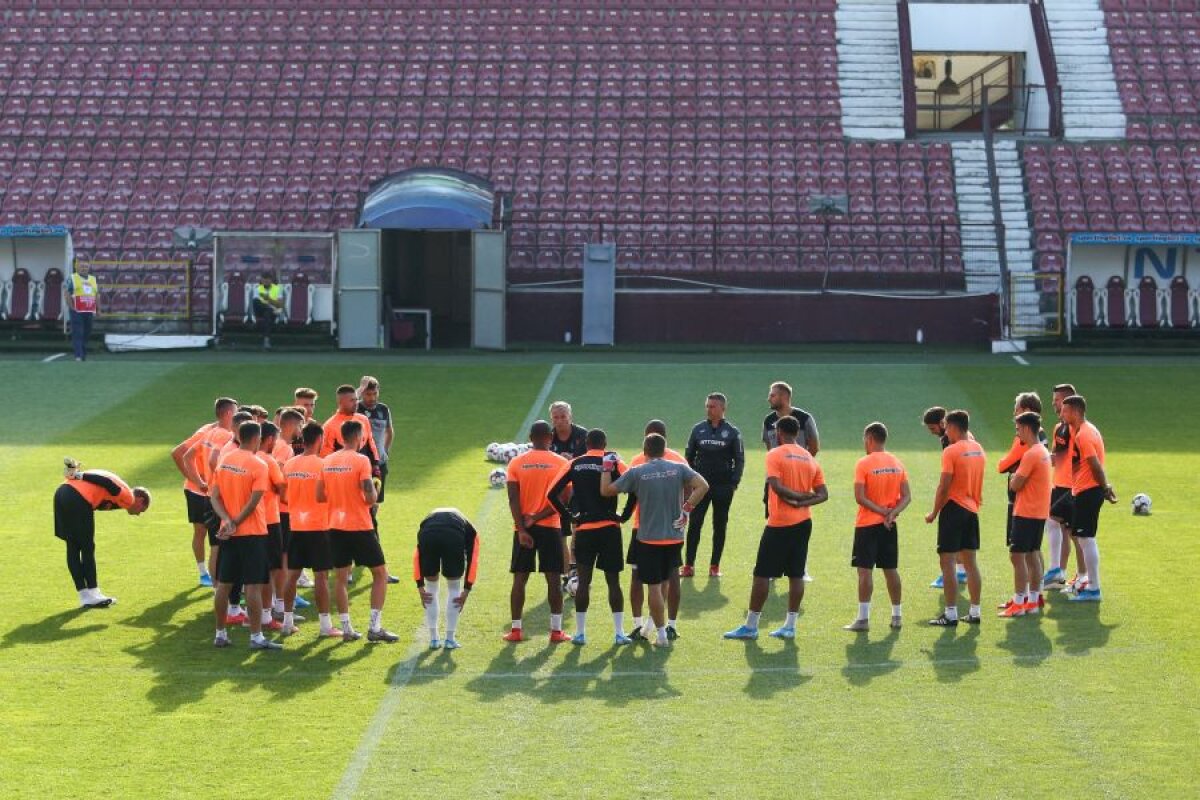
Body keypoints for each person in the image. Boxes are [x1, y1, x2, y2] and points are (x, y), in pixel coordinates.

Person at [723, 416, 826, 640]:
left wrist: (795, 499)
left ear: (779, 432)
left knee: (762, 573)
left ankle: (751, 626)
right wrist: (803, 501)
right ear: (797, 433)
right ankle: (790, 626)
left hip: (779, 523)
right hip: (804, 522)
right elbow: (823, 494)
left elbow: (777, 487)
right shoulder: (809, 458)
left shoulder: (775, 454)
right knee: (796, 574)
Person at [603, 433, 709, 647]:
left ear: (645, 451)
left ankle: (660, 636)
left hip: (648, 539)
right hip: (674, 537)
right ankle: (654, 628)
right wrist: (687, 508)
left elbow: (606, 491)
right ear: (664, 449)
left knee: (653, 587)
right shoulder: (678, 468)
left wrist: (606, 468)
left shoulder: (637, 472)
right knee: (665, 583)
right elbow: (703, 486)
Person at [548, 428, 629, 646]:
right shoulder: (613, 461)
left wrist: (569, 517)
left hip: (584, 530)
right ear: (605, 444)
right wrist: (624, 515)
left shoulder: (575, 463)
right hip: (610, 529)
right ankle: (619, 633)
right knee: (613, 582)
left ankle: (580, 633)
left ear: (586, 444)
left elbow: (551, 493)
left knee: (583, 582)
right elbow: (634, 485)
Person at [321, 420, 398, 642]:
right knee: (380, 574)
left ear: (341, 437)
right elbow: (370, 497)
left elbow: (319, 495)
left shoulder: (327, 461)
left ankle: (347, 629)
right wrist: (375, 488)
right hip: (359, 526)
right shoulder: (361, 460)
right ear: (359, 437)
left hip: (334, 526)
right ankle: (375, 627)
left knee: (341, 578)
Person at [209, 421, 279, 650]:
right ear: (257, 439)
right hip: (253, 533)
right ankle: (256, 637)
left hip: (228, 534)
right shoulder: (259, 464)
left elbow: (214, 497)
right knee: (253, 586)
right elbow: (254, 501)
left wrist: (227, 521)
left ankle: (220, 634)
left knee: (224, 585)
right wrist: (236, 522)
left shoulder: (225, 460)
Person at [620, 419, 688, 641]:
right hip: (671, 528)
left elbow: (629, 494)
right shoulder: (678, 460)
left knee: (640, 577)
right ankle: (668, 625)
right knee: (669, 576)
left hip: (644, 528)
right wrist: (685, 511)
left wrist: (621, 517)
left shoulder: (640, 460)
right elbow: (692, 487)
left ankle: (642, 625)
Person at [502, 420, 569, 643]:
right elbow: (563, 499)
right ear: (551, 437)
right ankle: (556, 632)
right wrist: (538, 517)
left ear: (530, 438)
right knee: (553, 580)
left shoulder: (516, 463)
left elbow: (513, 499)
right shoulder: (561, 463)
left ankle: (516, 630)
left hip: (524, 530)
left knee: (520, 579)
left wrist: (522, 528)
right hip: (550, 528)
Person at [55, 459, 150, 607]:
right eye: (141, 510)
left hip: (61, 493)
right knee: (87, 547)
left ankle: (85, 596)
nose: (138, 514)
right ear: (140, 500)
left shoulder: (120, 500)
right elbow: (106, 482)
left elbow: (103, 495)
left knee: (73, 547)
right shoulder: (128, 496)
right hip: (78, 497)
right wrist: (78, 475)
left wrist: (75, 474)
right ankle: (94, 593)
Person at [843, 422, 909, 632]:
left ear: (870, 438)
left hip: (867, 525)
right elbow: (907, 496)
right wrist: (892, 513)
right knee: (891, 570)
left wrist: (881, 511)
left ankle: (863, 619)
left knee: (865, 571)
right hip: (889, 525)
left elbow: (860, 497)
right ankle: (897, 616)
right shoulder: (897, 462)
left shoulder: (864, 463)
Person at [924, 410, 986, 627]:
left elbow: (944, 486)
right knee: (970, 563)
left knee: (947, 562)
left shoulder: (951, 451)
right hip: (972, 509)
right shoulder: (978, 449)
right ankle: (975, 612)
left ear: (951, 427)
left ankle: (950, 614)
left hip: (953, 509)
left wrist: (934, 512)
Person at [282, 420, 342, 638]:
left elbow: (284, 496)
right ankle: (325, 626)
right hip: (319, 526)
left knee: (292, 575)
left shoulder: (290, 464)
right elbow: (329, 495)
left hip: (296, 526)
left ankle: (287, 622)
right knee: (321, 577)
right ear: (320, 439)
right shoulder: (323, 465)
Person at [1053, 395, 1116, 603]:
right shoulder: (1084, 430)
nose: (1061, 414)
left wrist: (1105, 487)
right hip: (1081, 490)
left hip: (1088, 491)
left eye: (1065, 410)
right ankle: (1086, 581)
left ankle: (1093, 588)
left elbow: (1094, 464)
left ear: (1075, 411)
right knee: (1067, 524)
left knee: (1086, 538)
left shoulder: (1084, 435)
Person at [171, 396, 237, 587]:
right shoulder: (209, 432)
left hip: (207, 490)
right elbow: (179, 453)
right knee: (205, 533)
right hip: (200, 491)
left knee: (213, 536)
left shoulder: (217, 431)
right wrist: (197, 481)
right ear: (228, 413)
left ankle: (213, 576)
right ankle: (205, 574)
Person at [763, 381, 820, 582]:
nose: (769, 398)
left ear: (784, 397)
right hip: (774, 478)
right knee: (773, 519)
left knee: (800, 518)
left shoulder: (804, 419)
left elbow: (814, 446)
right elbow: (769, 447)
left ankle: (800, 567)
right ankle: (774, 567)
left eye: (773, 395)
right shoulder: (768, 420)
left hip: (798, 478)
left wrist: (799, 465)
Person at [683, 392, 744, 577]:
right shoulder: (698, 429)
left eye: (713, 406)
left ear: (723, 408)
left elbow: (739, 459)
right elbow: (688, 457)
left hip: (723, 487)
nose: (709, 409)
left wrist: (734, 483)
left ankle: (714, 566)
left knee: (720, 525)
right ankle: (689, 566)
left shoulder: (732, 432)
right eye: (707, 406)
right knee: (695, 524)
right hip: (700, 488)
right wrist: (691, 481)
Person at [1000, 412, 1053, 618]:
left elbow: (1015, 485)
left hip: (1026, 512)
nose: (1017, 433)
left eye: (1018, 429)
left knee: (1017, 556)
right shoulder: (1043, 451)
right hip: (1038, 511)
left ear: (1026, 428)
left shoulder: (1031, 454)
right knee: (1032, 554)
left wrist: (1014, 477)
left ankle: (1019, 603)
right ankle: (1033, 600)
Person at [414, 508, 480, 650]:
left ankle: (434, 639)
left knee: (430, 588)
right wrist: (466, 590)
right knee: (454, 587)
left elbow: (417, 555)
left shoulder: (426, 523)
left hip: (428, 534)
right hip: (452, 536)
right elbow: (473, 560)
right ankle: (450, 639)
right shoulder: (472, 531)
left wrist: (420, 586)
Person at [357, 376, 399, 584]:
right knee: (363, 512)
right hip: (361, 466)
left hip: (379, 467)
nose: (372, 398)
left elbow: (389, 431)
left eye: (374, 393)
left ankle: (362, 559)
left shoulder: (383, 410)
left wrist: (385, 452)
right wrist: (359, 391)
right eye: (368, 393)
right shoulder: (355, 409)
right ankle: (369, 561)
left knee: (373, 509)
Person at [921, 406, 969, 590]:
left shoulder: (950, 442)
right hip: (968, 497)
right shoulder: (966, 438)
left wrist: (935, 510)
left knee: (949, 544)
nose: (932, 432)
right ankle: (962, 572)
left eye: (933, 428)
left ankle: (951, 574)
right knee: (963, 541)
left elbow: (949, 477)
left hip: (955, 498)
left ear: (943, 423)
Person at [547, 400, 588, 584]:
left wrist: (572, 460)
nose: (560, 420)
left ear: (570, 416)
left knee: (577, 530)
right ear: (551, 419)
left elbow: (592, 461)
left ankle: (575, 570)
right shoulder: (548, 437)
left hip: (579, 490)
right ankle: (566, 575)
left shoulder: (583, 435)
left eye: (563, 416)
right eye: (556, 417)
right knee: (561, 534)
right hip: (558, 492)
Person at [1043, 383, 1078, 591]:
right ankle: (1059, 573)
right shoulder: (1060, 428)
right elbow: (1056, 459)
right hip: (1059, 484)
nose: (1053, 404)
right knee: (1065, 531)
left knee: (1074, 534)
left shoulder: (1076, 428)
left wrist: (1036, 457)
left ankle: (1081, 576)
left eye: (1057, 400)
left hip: (1072, 486)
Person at [255, 422, 288, 632]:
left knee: (256, 570)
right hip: (270, 520)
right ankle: (268, 615)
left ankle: (253, 614)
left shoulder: (249, 458)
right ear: (269, 440)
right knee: (271, 569)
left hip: (250, 522)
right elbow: (282, 490)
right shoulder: (269, 461)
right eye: (275, 439)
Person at [65, 261, 99, 361]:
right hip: (77, 311)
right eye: (82, 266)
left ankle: (82, 354)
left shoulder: (93, 279)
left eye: (86, 267)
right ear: (77, 268)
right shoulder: (72, 278)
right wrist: (71, 307)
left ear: (89, 268)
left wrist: (98, 309)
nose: (84, 268)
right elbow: (67, 293)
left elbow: (97, 295)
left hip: (89, 311)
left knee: (87, 333)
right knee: (78, 333)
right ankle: (78, 356)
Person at [253, 271, 285, 349]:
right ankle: (266, 339)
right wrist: (268, 306)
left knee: (267, 314)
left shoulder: (277, 289)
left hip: (273, 312)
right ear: (261, 280)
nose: (266, 280)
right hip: (260, 310)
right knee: (256, 301)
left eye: (268, 278)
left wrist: (268, 299)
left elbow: (280, 305)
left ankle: (266, 340)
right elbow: (256, 304)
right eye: (264, 278)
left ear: (271, 279)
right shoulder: (258, 289)